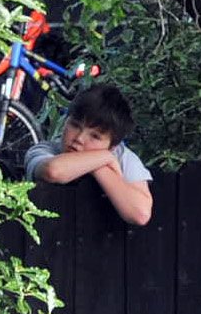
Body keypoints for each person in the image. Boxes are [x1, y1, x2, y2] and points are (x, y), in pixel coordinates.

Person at [24, 83, 153, 227]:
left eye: (95, 136)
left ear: (113, 146)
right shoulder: (45, 150)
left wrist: (98, 165)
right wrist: (105, 158)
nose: (79, 138)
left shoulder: (123, 157)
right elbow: (53, 171)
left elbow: (140, 214)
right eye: (75, 125)